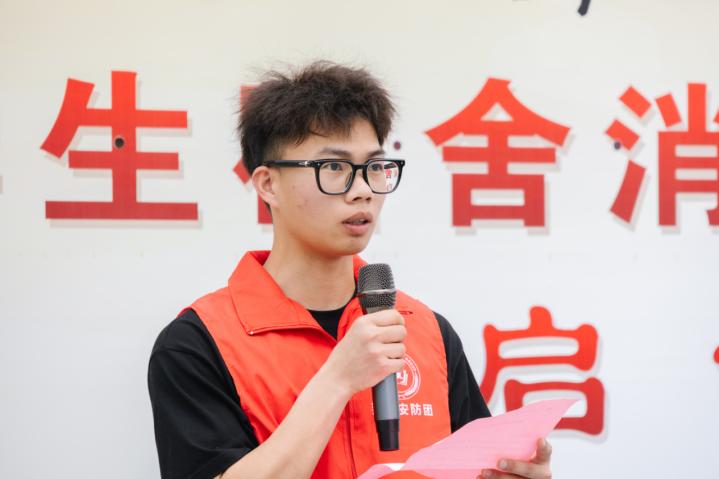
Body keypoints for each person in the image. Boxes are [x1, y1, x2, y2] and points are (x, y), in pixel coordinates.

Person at [148, 61, 553, 479]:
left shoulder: (427, 332)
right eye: (334, 168)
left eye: (374, 168)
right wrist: (337, 381)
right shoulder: (199, 344)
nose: (362, 191)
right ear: (268, 184)